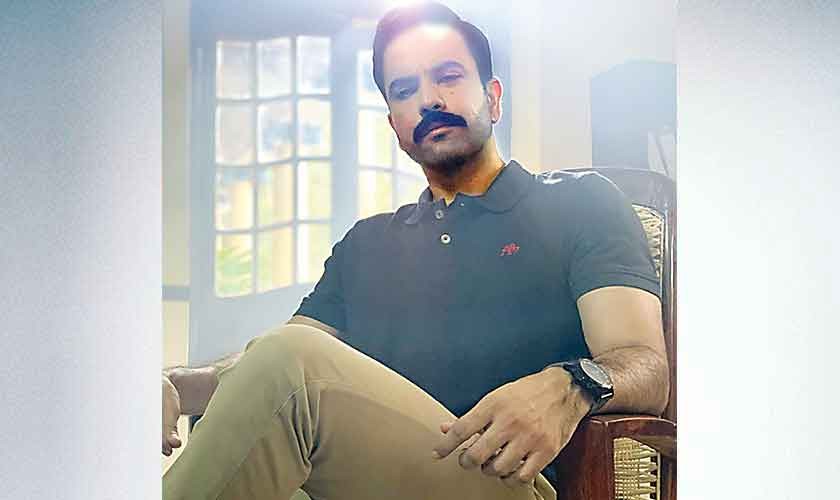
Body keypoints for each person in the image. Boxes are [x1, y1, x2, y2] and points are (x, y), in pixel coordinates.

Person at [162, 3, 669, 499]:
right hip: (365, 478)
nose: (428, 99)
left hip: (504, 475)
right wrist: (173, 385)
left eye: (448, 76)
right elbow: (265, 372)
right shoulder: (366, 244)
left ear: (493, 98)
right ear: (395, 126)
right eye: (405, 90)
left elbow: (645, 364)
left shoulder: (579, 202)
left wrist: (570, 385)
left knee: (287, 362)